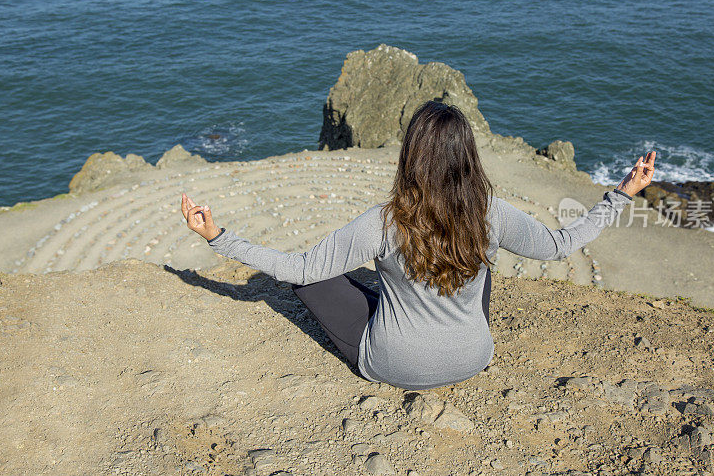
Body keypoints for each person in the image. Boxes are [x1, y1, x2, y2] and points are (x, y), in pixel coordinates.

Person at [181, 100, 657, 391]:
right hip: (475, 357)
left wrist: (218, 236)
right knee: (478, 266)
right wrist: (620, 195)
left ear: (412, 155)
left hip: (392, 365)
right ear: (467, 157)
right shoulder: (487, 212)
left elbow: (301, 268)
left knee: (313, 275)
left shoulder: (387, 221)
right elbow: (559, 245)